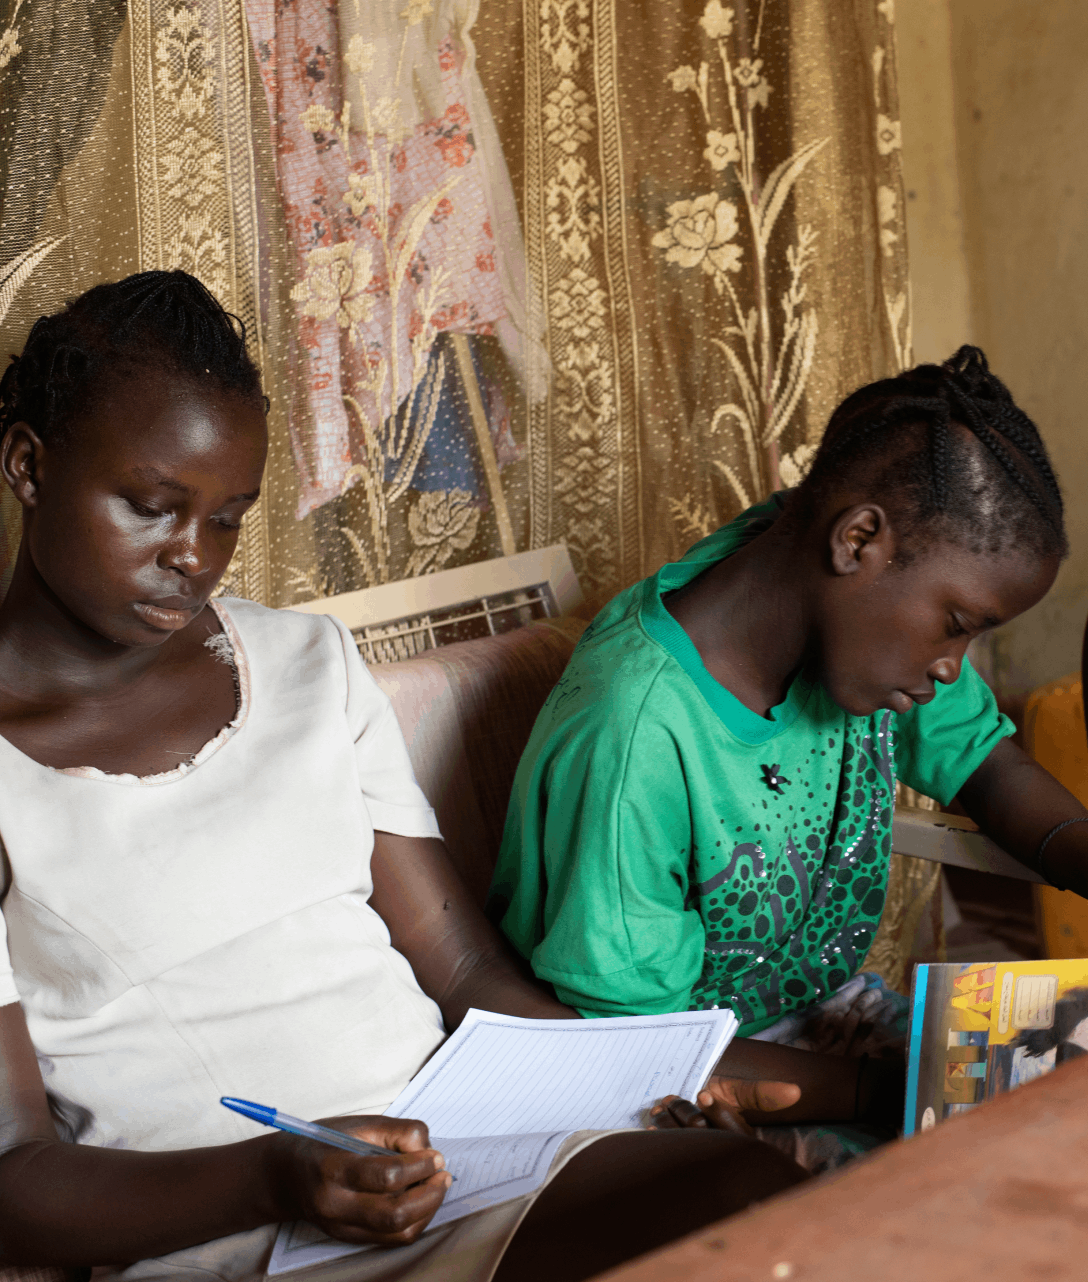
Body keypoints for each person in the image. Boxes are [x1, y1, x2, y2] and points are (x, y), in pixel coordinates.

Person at [0, 271, 806, 1281]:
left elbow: (465, 972)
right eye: (155, 508)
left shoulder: (305, 664)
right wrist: (277, 1177)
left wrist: (624, 1092)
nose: (194, 558)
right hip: (241, 1230)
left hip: (448, 1163)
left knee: (753, 1196)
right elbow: (14, 1179)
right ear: (29, 465)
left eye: (228, 518)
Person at [489, 347, 1088, 1165]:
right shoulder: (636, 735)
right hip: (668, 1088)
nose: (953, 668)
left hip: (823, 1021)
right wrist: (904, 1093)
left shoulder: (815, 578)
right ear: (858, 539)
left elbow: (987, 763)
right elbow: (640, 1055)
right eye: (956, 625)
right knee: (1006, 1192)